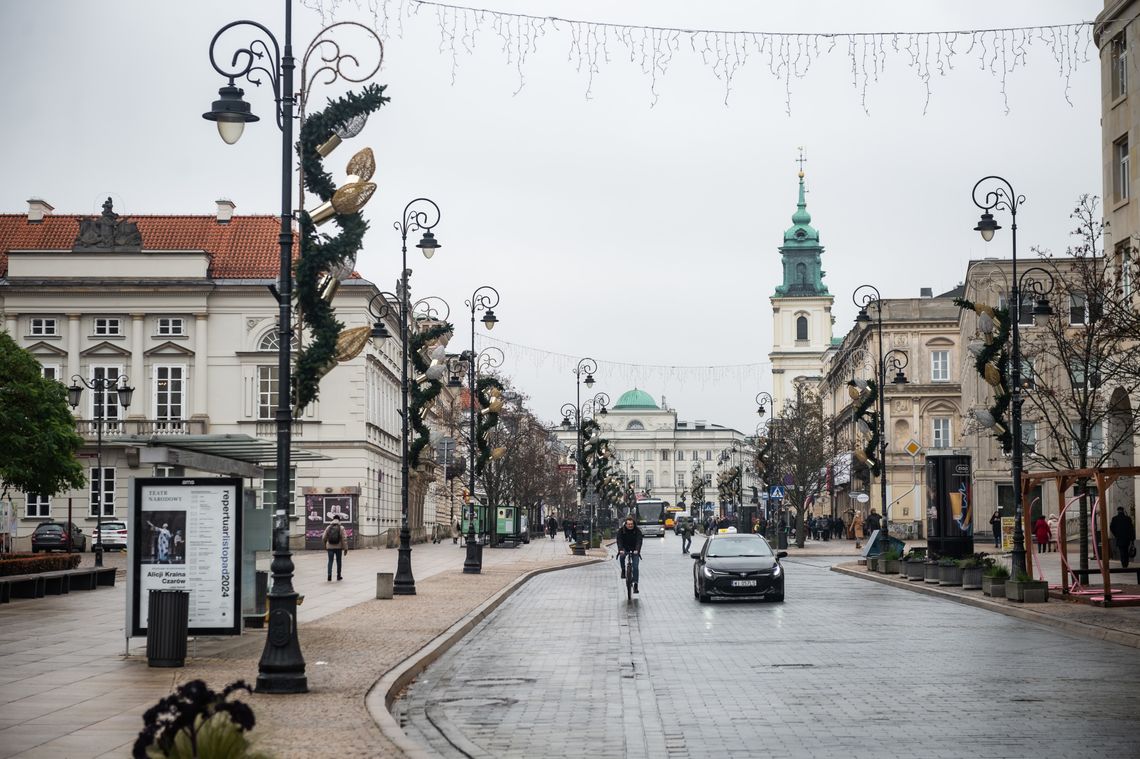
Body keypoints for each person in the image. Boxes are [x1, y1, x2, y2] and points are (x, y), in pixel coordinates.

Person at [615, 515, 644, 593]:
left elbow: (639, 541)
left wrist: (637, 550)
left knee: (635, 567)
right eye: (628, 524)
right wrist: (620, 549)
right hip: (624, 548)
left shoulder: (637, 531)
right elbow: (619, 540)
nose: (630, 525)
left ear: (633, 524)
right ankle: (623, 570)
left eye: (631, 524)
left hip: (634, 549)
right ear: (626, 524)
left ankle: (635, 584)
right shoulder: (621, 531)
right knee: (622, 556)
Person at [323, 515, 348, 581]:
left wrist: (325, 545)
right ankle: (338, 575)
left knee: (330, 561)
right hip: (338, 547)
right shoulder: (341, 528)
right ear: (339, 520)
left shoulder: (328, 527)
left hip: (330, 547)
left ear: (333, 519)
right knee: (338, 561)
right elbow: (344, 539)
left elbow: (323, 537)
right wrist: (345, 548)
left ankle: (329, 576)